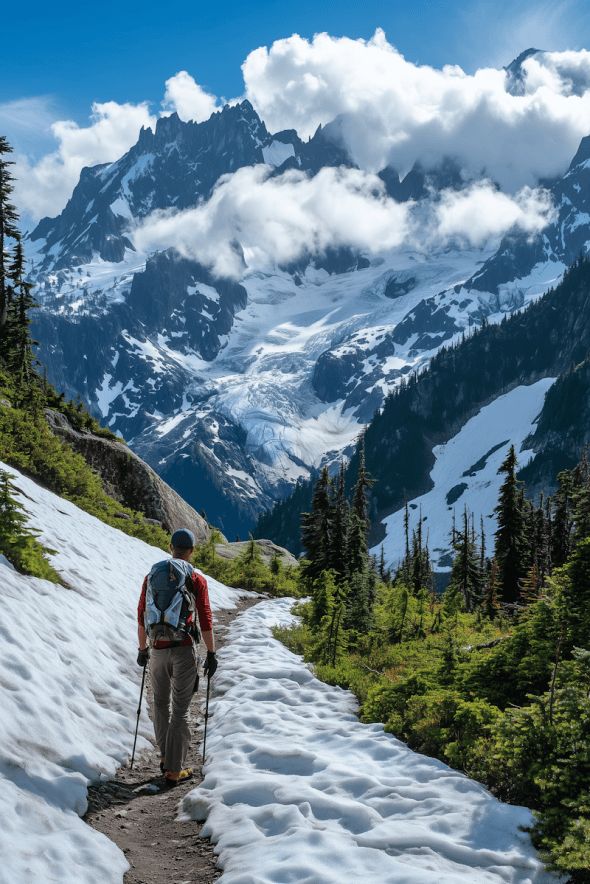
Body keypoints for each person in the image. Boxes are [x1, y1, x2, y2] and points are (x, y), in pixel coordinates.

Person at [137, 528, 217, 785]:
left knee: (160, 704)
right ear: (192, 551)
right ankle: (174, 769)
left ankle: (164, 758)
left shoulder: (152, 576)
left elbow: (141, 615)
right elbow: (205, 618)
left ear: (170, 547)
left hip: (157, 649)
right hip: (183, 649)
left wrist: (142, 649)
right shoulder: (196, 579)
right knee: (180, 709)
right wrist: (212, 653)